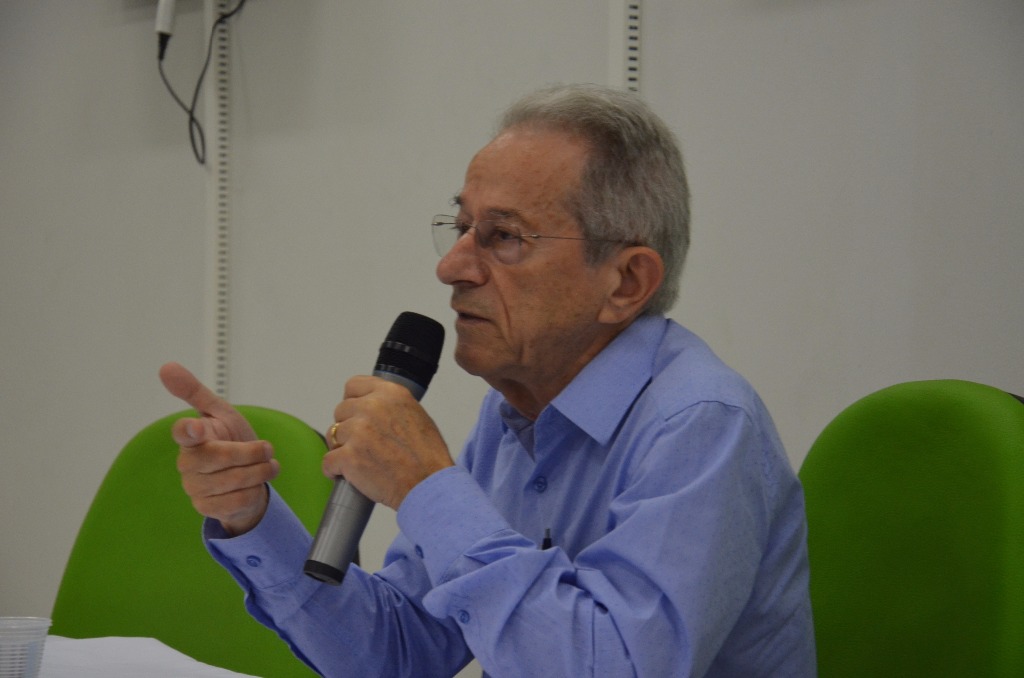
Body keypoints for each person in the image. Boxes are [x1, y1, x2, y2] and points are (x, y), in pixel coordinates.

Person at [159, 83, 816, 677]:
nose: (451, 267)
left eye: (504, 237)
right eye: (462, 226)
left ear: (625, 281)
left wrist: (428, 488)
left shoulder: (700, 422)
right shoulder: (513, 416)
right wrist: (250, 517)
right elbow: (398, 655)